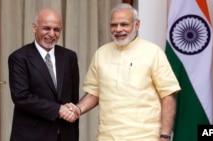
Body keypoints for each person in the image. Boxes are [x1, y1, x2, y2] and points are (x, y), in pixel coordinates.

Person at [69, 3, 181, 141]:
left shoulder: (153, 53)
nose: (118, 29)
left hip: (145, 137)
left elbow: (168, 95)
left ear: (137, 25)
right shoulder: (101, 53)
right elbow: (94, 92)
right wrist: (78, 109)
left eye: (124, 24)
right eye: (113, 25)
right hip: (107, 137)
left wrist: (165, 135)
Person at [8, 8, 79, 141]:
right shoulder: (19, 58)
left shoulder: (69, 57)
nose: (52, 34)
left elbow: (73, 98)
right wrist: (58, 109)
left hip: (64, 135)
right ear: (34, 28)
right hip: (31, 136)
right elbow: (21, 97)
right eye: (46, 28)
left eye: (57, 30)